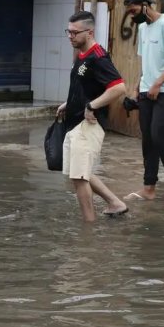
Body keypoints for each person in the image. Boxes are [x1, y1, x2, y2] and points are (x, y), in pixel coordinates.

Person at [56, 11, 128, 222]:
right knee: (79, 173)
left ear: (89, 32)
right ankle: (115, 203)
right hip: (75, 121)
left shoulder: (98, 57)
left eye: (75, 33)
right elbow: (87, 87)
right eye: (68, 32)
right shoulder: (82, 55)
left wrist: (92, 106)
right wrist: (69, 103)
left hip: (88, 124)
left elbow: (119, 88)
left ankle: (88, 227)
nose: (70, 36)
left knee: (79, 177)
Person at [121, 0, 164, 204]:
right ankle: (149, 187)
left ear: (146, 5)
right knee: (147, 139)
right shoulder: (142, 28)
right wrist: (138, 86)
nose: (131, 14)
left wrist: (158, 83)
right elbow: (146, 61)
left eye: (134, 10)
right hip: (146, 90)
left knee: (159, 135)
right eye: (129, 11)